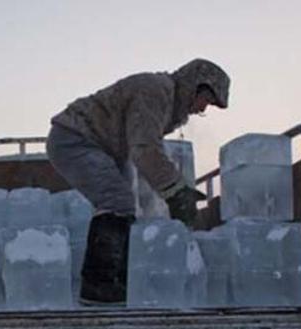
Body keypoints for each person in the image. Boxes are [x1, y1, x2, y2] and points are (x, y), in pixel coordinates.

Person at [46, 58, 230, 304]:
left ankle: (119, 281)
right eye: (205, 101)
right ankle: (97, 285)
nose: (202, 109)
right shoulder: (155, 91)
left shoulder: (166, 102)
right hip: (75, 138)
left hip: (105, 147)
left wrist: (173, 189)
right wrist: (176, 191)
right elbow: (144, 150)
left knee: (126, 204)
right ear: (195, 86)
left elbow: (145, 149)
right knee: (117, 201)